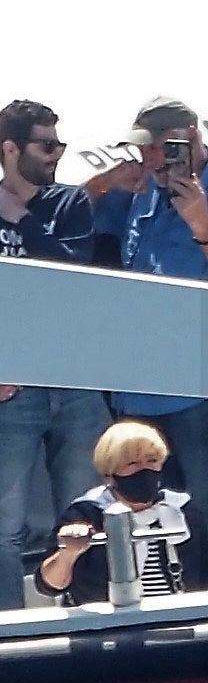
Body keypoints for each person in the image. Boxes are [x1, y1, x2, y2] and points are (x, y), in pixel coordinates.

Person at [0, 98, 98, 610]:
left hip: (74, 383)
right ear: (11, 149)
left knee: (80, 516)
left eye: (59, 144)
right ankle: (3, 633)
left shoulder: (71, 204)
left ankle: (85, 620)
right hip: (9, 391)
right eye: (46, 144)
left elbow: (74, 282)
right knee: (5, 525)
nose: (56, 154)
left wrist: (24, 220)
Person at [69, 99, 205, 441]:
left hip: (195, 385)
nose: (149, 159)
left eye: (159, 148)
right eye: (142, 149)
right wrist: (101, 184)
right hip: (137, 382)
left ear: (189, 138)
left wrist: (203, 228)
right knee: (140, 494)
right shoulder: (142, 188)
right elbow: (66, 225)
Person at [33, 417, 189, 607]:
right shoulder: (85, 513)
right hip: (105, 628)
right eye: (132, 463)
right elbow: (49, 586)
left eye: (152, 460)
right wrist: (69, 553)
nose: (145, 469)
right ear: (109, 475)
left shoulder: (182, 509)